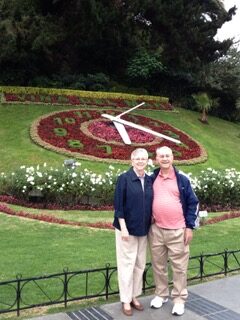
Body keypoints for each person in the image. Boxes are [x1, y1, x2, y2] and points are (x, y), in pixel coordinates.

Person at [149, 146, 199, 316]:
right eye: (161, 156)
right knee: (158, 265)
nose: (164, 158)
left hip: (178, 230)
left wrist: (190, 227)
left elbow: (193, 203)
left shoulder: (182, 179)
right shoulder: (152, 177)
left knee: (179, 268)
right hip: (156, 230)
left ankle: (178, 299)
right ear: (156, 159)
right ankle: (161, 295)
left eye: (167, 155)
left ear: (172, 158)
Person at [113, 148, 153, 316]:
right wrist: (123, 227)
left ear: (147, 161)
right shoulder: (124, 179)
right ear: (131, 160)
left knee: (139, 264)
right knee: (126, 265)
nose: (140, 161)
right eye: (137, 158)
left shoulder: (150, 180)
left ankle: (135, 296)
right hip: (126, 230)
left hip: (143, 229)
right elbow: (118, 205)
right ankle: (125, 299)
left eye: (143, 159)